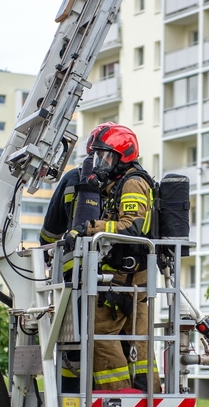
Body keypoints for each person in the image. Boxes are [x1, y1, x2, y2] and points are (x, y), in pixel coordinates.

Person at [66, 124, 158, 391]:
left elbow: (132, 226)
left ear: (123, 155)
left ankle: (116, 395)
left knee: (100, 333)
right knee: (138, 338)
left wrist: (89, 228)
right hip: (135, 276)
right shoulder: (119, 185)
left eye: (105, 156)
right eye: (97, 156)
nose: (100, 163)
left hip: (125, 276)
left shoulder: (131, 182)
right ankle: (145, 392)